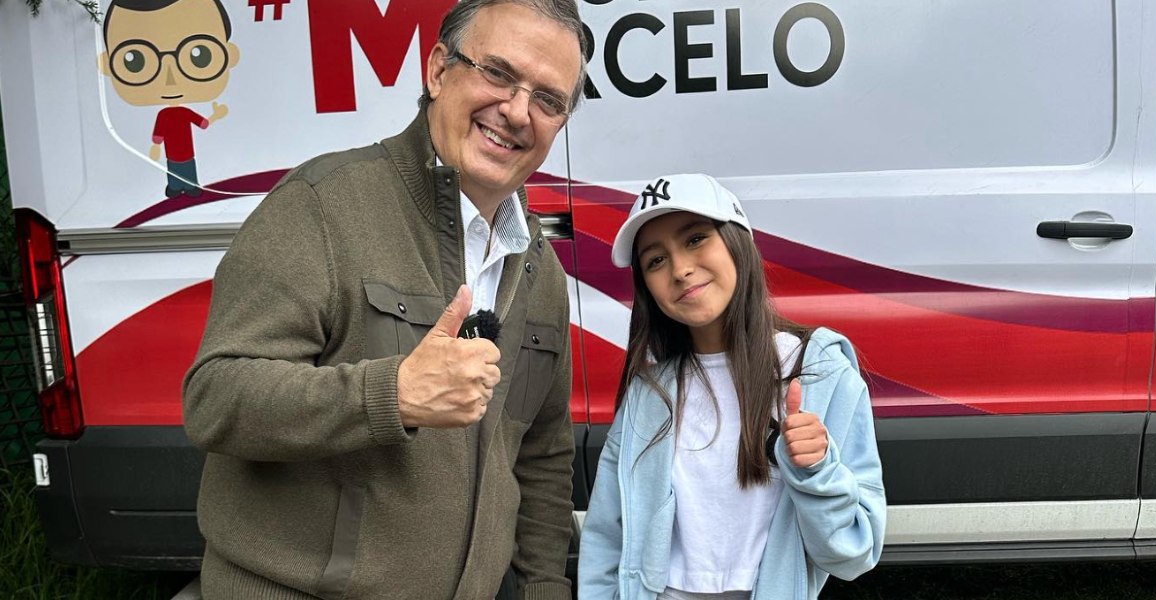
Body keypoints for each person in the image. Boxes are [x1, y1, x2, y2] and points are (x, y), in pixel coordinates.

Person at [181, 1, 587, 598]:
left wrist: (543, 589)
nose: (518, 111)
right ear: (438, 69)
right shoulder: (322, 205)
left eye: (548, 99)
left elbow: (542, 458)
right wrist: (391, 395)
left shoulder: (539, 269)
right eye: (498, 73)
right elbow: (216, 398)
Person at [577, 174, 887, 599]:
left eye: (695, 239)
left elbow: (853, 554)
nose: (680, 269)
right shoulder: (649, 395)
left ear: (738, 243)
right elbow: (605, 541)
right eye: (656, 260)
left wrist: (817, 470)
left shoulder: (819, 372)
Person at [99, 0, 239, 198]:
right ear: (106, 64)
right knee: (179, 168)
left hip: (179, 154)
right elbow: (197, 125)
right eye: (135, 60)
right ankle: (182, 187)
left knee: (181, 168)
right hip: (179, 154)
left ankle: (183, 187)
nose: (169, 80)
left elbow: (197, 125)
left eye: (200, 56)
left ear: (230, 55)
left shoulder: (174, 113)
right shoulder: (169, 114)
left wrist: (216, 115)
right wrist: (156, 147)